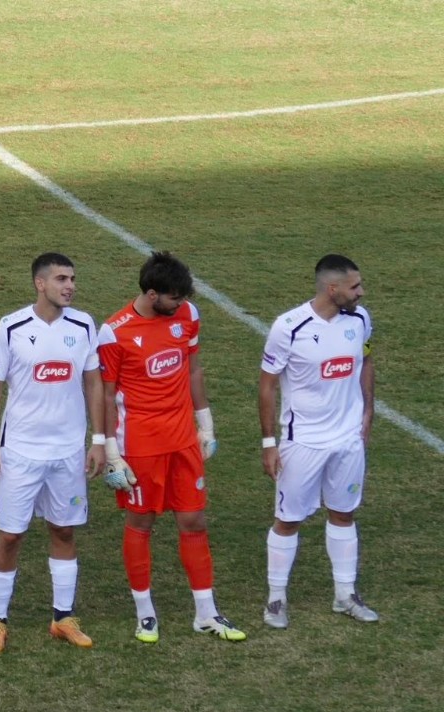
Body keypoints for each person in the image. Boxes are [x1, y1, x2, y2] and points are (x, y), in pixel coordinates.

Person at [97, 252, 246, 642]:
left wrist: (205, 424)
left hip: (183, 441)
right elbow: (106, 394)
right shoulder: (114, 332)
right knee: (141, 523)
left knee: (194, 521)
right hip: (141, 445)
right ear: (152, 294)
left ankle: (206, 613)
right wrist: (111, 453)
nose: (180, 305)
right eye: (173, 298)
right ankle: (145, 613)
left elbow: (193, 368)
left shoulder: (188, 315)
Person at [0, 254, 105, 654]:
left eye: (73, 279)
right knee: (10, 535)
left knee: (64, 530)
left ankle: (62, 618)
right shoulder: (12, 326)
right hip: (20, 451)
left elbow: (94, 382)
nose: (70, 286)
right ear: (40, 283)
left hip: (68, 452)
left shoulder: (84, 325)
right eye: (62, 279)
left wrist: (99, 439)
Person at [258, 254, 379, 628]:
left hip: (348, 440)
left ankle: (345, 594)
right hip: (303, 442)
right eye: (354, 286)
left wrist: (368, 410)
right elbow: (267, 386)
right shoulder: (288, 327)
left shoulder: (359, 320)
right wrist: (269, 443)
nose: (361, 292)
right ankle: (276, 599)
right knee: (288, 519)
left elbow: (366, 360)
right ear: (332, 288)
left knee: (343, 513)